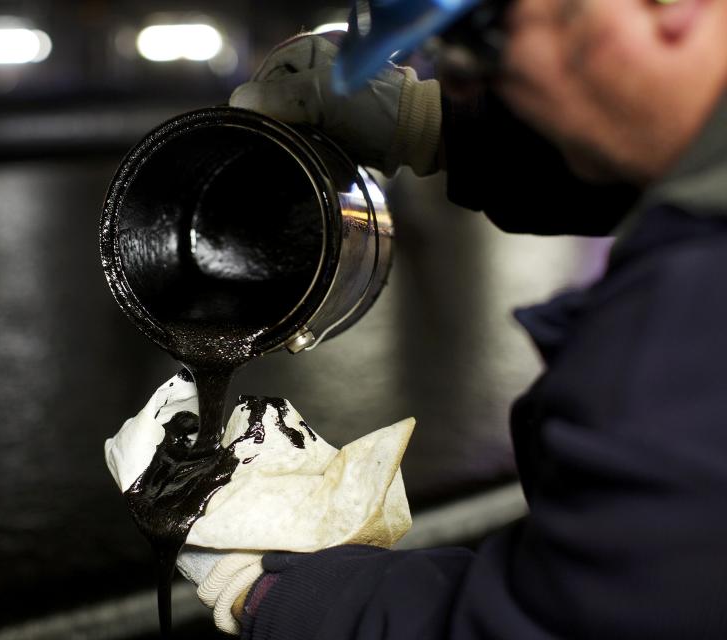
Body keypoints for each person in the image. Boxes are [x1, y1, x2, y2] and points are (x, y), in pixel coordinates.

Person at [179, 0, 727, 637]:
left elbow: (537, 626)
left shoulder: (688, 334)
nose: (462, 79)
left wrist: (266, 587)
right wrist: (433, 125)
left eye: (480, 40)